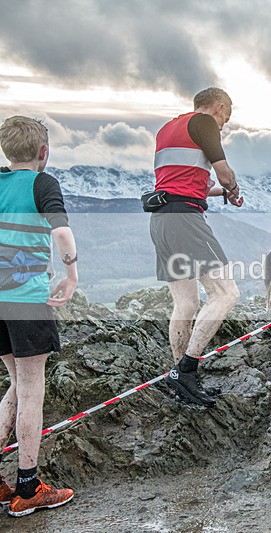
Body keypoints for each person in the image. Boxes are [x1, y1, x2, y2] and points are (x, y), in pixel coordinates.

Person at [0, 116, 77, 516]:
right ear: (43, 152)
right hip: (26, 300)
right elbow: (61, 233)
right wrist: (71, 274)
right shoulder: (42, 183)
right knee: (31, 390)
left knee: (15, 384)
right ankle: (28, 487)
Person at [149, 87, 243, 406]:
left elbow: (186, 182)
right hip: (185, 219)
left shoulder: (167, 129)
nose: (223, 126)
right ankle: (187, 369)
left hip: (161, 219)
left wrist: (221, 193)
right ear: (219, 107)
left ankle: (180, 376)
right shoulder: (204, 122)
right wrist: (232, 187)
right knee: (226, 293)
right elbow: (224, 173)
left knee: (186, 303)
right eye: (226, 119)